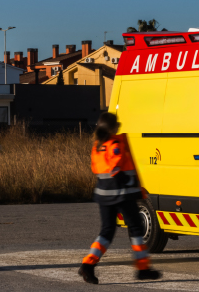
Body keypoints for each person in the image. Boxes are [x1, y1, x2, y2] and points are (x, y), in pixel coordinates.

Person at [78, 112, 162, 284]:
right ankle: (143, 268)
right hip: (122, 194)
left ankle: (88, 264)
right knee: (136, 229)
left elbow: (97, 168)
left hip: (103, 194)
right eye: (117, 124)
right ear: (112, 127)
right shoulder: (115, 144)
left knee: (106, 232)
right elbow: (115, 169)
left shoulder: (98, 145)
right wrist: (131, 181)